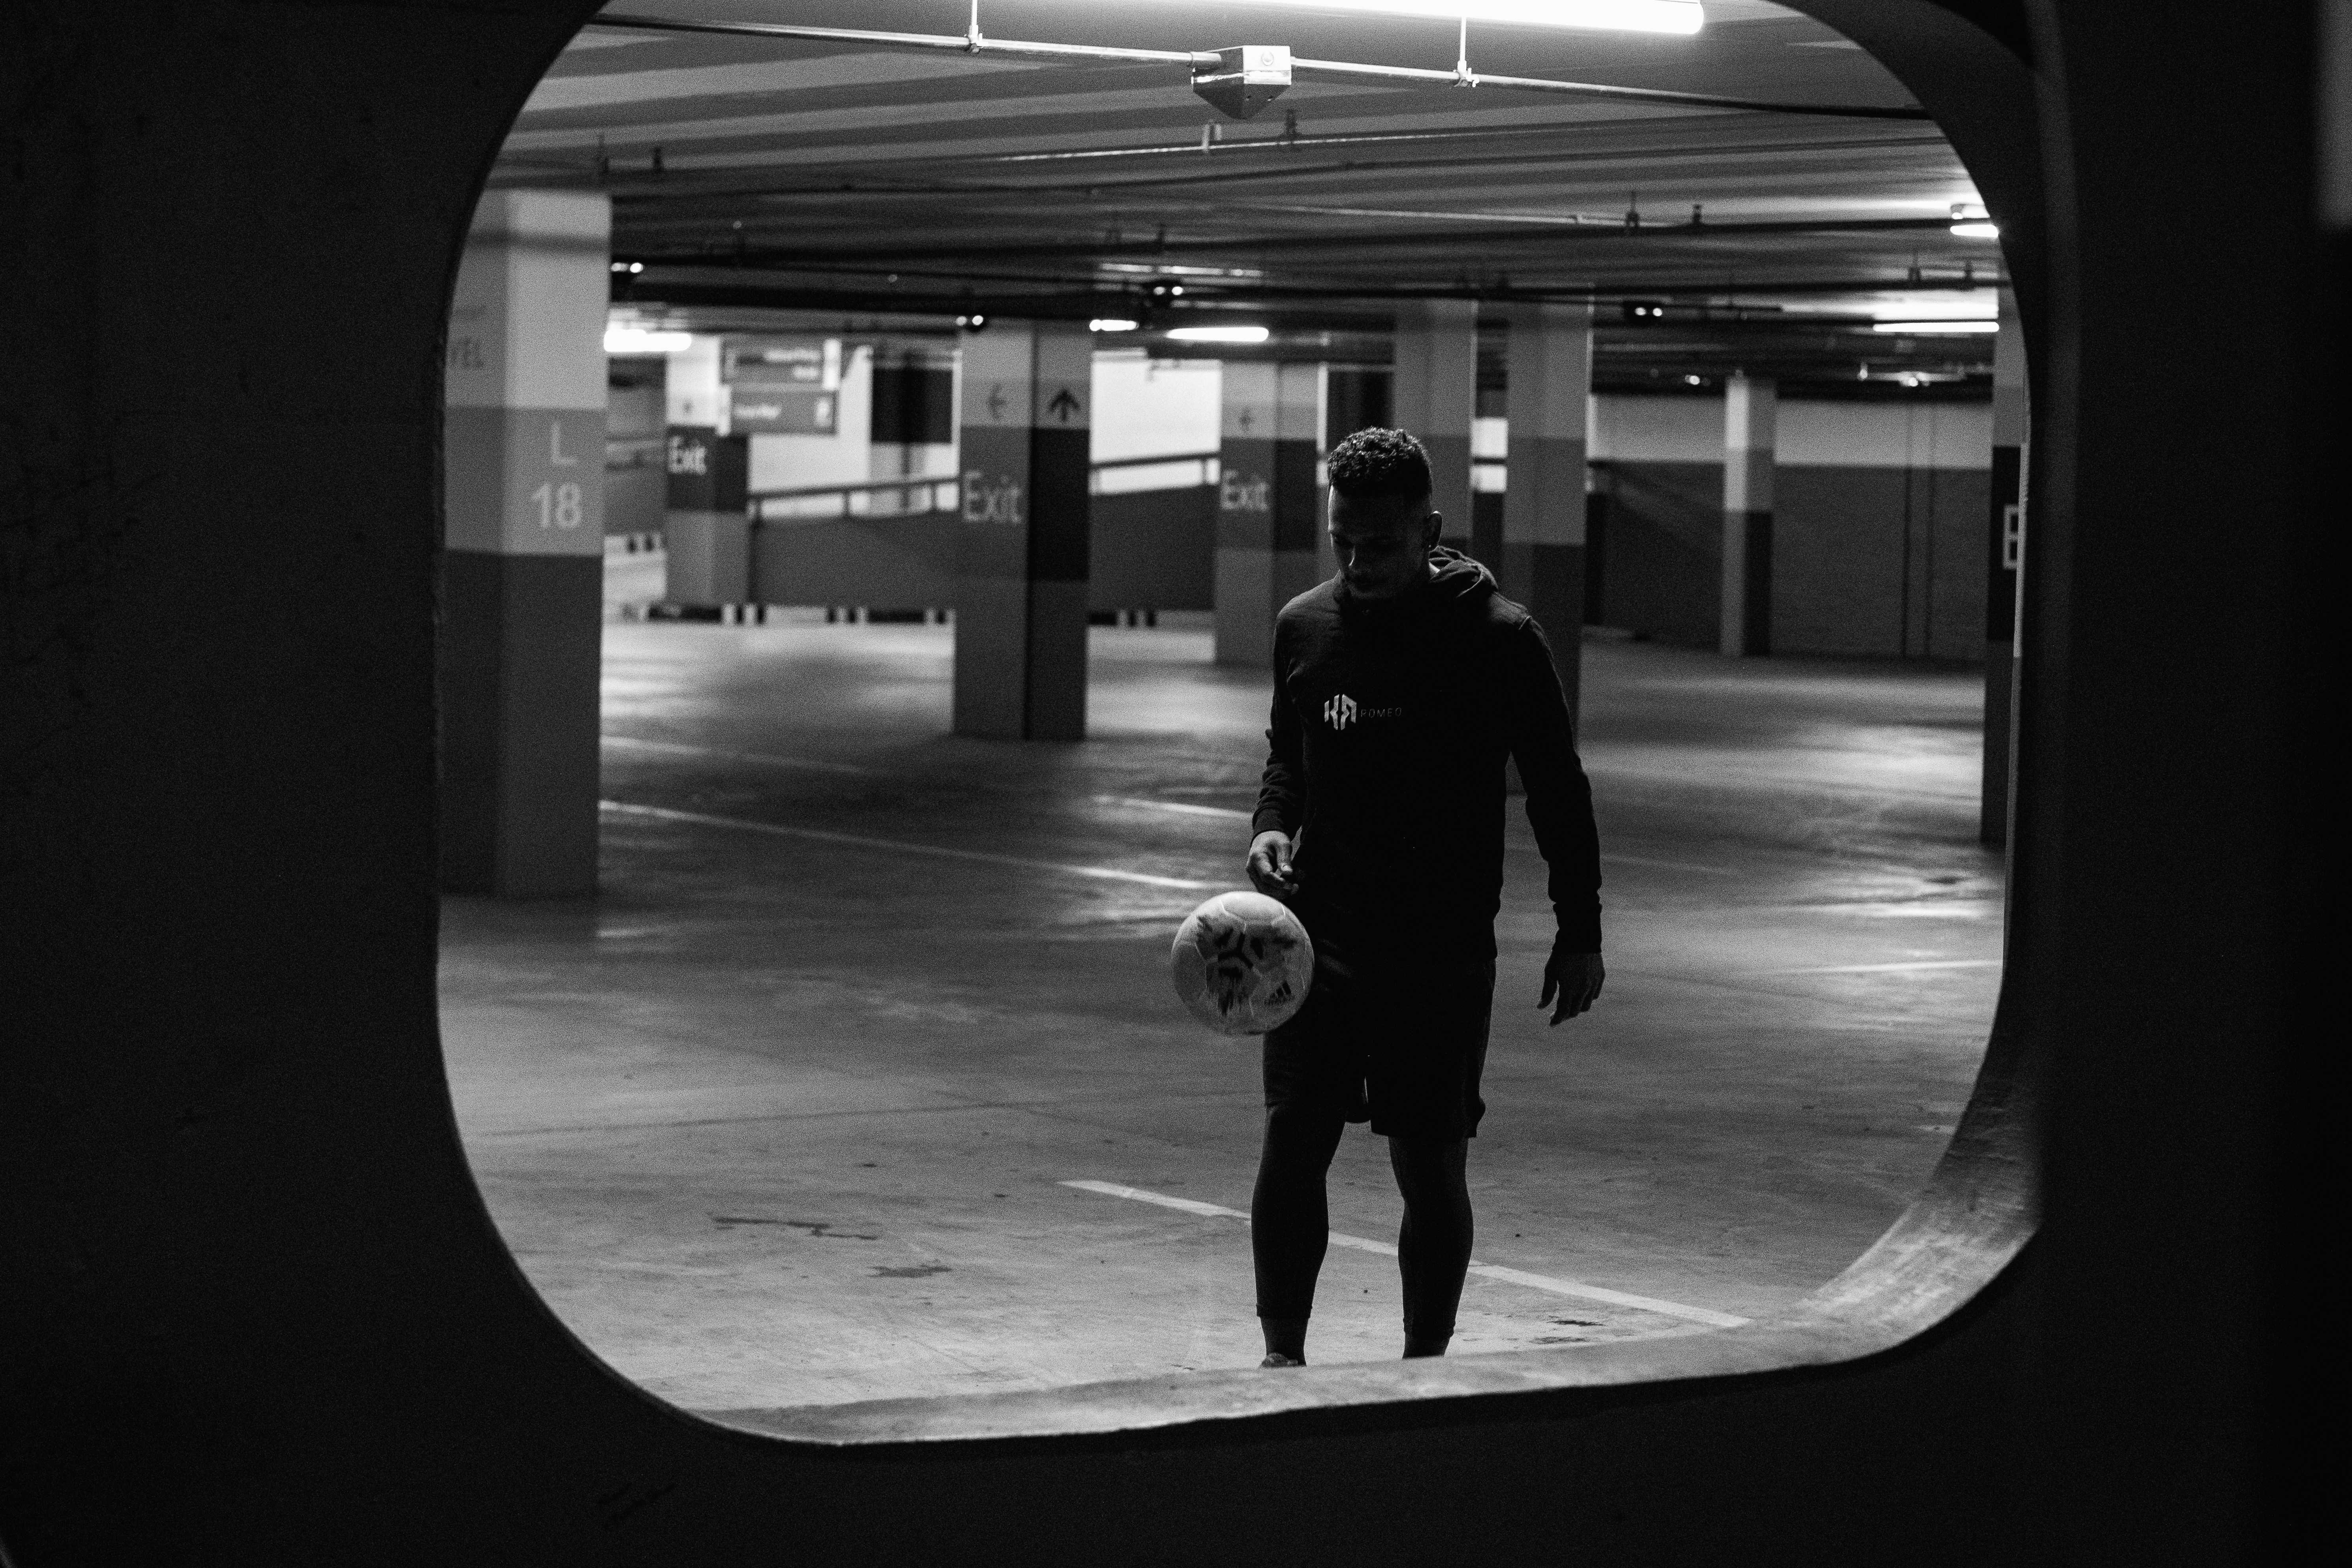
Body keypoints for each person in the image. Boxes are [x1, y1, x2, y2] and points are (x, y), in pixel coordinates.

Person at [1244, 426, 1605, 1367]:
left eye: (1381, 544)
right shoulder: (1304, 626)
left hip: (1437, 950)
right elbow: (1290, 754)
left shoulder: (1498, 641)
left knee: (1429, 1160)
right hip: (1316, 944)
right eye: (1342, 542)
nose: (1358, 564)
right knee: (1293, 1142)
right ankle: (1282, 1357)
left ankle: (1425, 1366)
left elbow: (1558, 789)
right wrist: (1269, 825)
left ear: (1431, 526)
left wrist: (1580, 927)